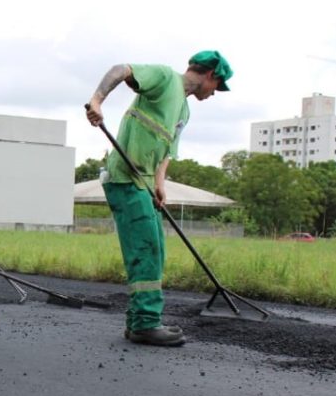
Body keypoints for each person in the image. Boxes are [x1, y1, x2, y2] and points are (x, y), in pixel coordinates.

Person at [84, 50, 233, 347]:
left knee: (157, 249)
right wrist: (97, 101)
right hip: (125, 178)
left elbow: (167, 151)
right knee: (146, 249)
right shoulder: (165, 79)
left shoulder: (184, 110)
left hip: (146, 182)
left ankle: (139, 321)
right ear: (210, 75)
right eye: (218, 86)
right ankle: (146, 324)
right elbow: (120, 69)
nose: (215, 93)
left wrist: (160, 185)